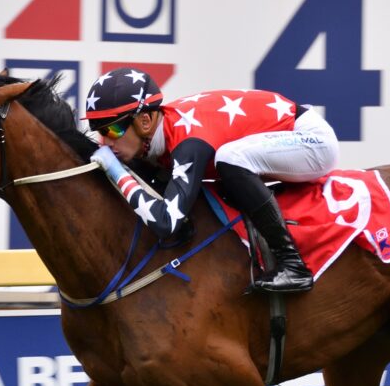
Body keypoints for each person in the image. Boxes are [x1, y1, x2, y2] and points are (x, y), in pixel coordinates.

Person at [84, 67, 340, 293]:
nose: (105, 142)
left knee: (230, 157)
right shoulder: (159, 138)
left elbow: (166, 222)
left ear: (145, 120)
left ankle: (293, 265)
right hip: (283, 134)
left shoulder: (188, 144)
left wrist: (117, 173)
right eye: (99, 132)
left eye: (113, 129)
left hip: (312, 141)